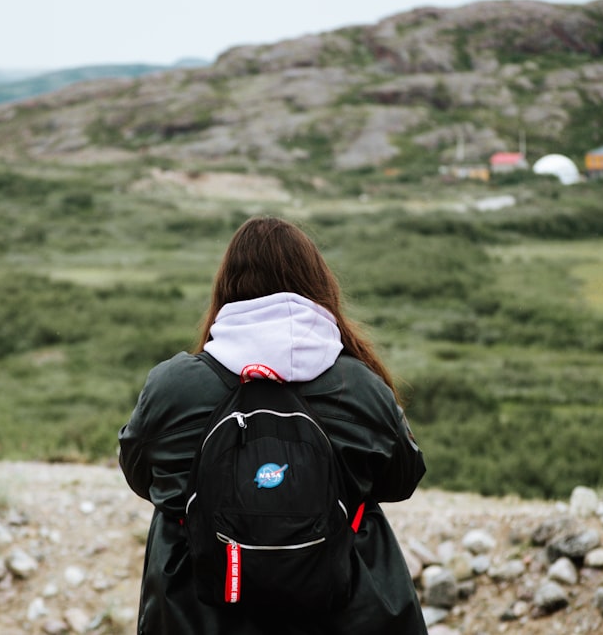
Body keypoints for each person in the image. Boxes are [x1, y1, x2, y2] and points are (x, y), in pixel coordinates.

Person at [118, 216, 427, 634]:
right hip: (347, 618)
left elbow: (140, 476)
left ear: (227, 287)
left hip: (193, 617)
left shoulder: (172, 386)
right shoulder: (358, 386)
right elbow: (401, 480)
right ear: (317, 285)